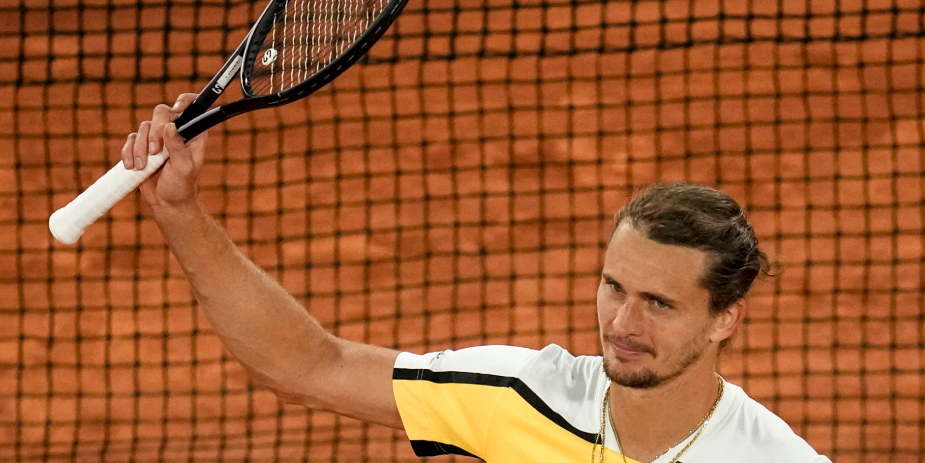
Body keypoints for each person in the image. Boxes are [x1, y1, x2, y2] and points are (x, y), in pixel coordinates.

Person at [122, 93, 831, 463]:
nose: (622, 325)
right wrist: (182, 214)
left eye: (660, 304)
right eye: (614, 288)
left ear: (724, 317)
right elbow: (308, 364)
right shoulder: (522, 397)